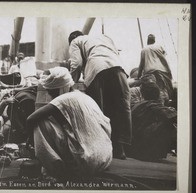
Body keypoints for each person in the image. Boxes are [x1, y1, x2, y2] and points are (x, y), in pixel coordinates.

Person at [26, 67, 112, 180]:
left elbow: (30, 119)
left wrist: (30, 140)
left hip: (86, 163)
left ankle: (56, 168)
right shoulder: (84, 96)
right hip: (104, 158)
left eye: (52, 92)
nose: (51, 96)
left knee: (41, 121)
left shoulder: (63, 99)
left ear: (61, 88)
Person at [68, 30, 131, 159]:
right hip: (118, 68)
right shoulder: (105, 37)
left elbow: (77, 64)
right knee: (121, 107)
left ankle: (101, 149)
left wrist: (69, 83)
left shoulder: (75, 41)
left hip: (97, 69)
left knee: (98, 110)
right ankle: (121, 149)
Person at [127, 81, 177, 161]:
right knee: (169, 123)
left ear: (143, 94)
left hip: (133, 147)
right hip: (145, 149)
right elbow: (174, 117)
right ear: (157, 94)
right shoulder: (153, 105)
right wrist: (171, 110)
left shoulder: (138, 105)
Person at [137, 34, 173, 105]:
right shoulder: (159, 47)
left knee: (153, 92)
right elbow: (164, 58)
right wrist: (169, 72)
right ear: (154, 40)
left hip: (150, 72)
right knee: (162, 89)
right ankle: (165, 105)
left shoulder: (144, 50)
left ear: (148, 41)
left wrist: (138, 76)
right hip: (161, 71)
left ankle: (159, 106)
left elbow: (141, 64)